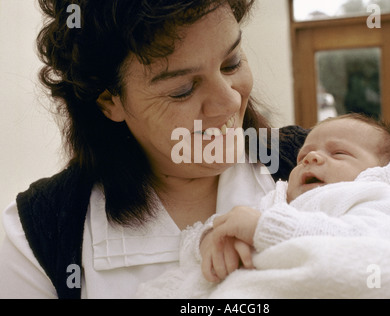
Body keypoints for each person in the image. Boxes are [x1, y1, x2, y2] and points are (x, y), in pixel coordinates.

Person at [0, 0, 308, 299]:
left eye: (232, 63)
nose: (229, 101)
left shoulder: (317, 164)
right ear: (110, 100)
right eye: (182, 90)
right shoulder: (39, 233)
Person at [136, 114, 390, 299]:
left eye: (338, 153)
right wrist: (210, 240)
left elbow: (361, 243)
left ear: (384, 175)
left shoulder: (375, 198)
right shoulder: (278, 199)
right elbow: (226, 223)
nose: (311, 157)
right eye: (304, 155)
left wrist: (265, 229)